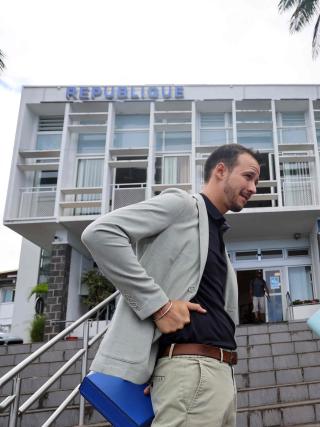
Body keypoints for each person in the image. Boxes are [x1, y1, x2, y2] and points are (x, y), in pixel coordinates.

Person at [81, 144, 260, 427]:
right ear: (221, 170)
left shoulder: (216, 233)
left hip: (219, 375)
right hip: (193, 372)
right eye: (249, 176)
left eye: (257, 181)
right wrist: (159, 306)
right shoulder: (183, 205)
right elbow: (100, 233)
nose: (253, 188)